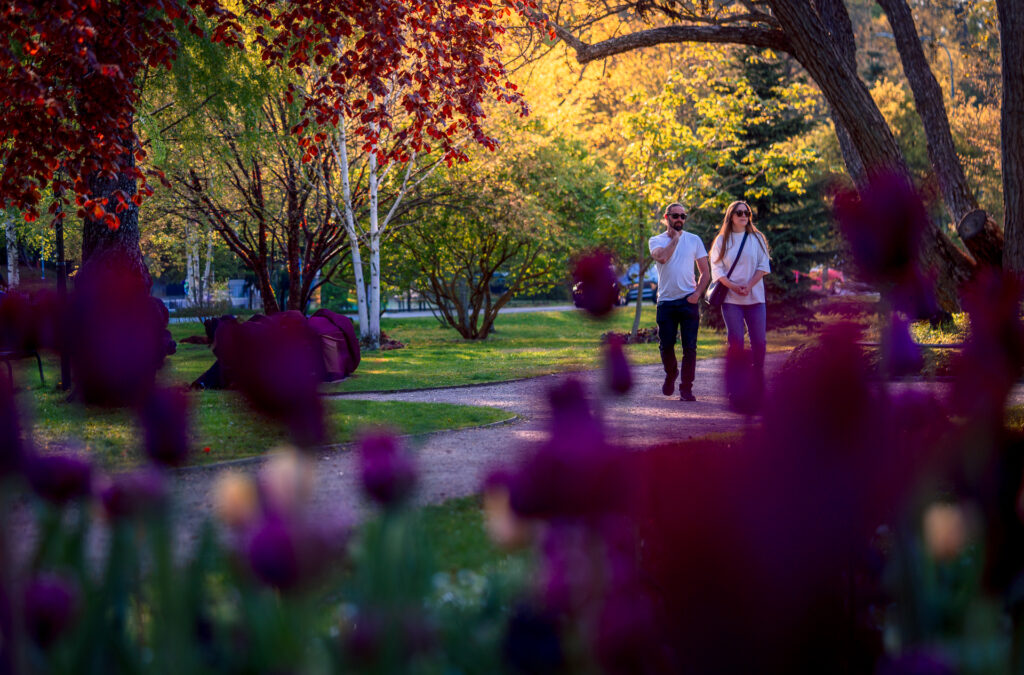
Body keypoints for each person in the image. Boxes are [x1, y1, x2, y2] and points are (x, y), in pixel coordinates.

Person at [649, 202, 710, 401]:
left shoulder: (694, 240)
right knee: (666, 346)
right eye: (675, 216)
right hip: (666, 302)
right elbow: (662, 258)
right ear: (666, 218)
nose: (680, 220)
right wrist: (675, 239)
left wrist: (698, 293)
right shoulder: (655, 240)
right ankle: (671, 373)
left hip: (688, 301)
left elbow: (705, 272)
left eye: (683, 216)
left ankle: (686, 388)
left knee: (690, 347)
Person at [709, 201, 771, 388]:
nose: (744, 215)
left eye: (747, 212)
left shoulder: (757, 238)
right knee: (736, 341)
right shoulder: (721, 240)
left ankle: (757, 378)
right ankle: (737, 385)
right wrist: (734, 287)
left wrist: (749, 286)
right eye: (739, 213)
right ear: (731, 216)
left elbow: (763, 266)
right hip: (731, 300)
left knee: (759, 342)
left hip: (755, 298)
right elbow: (717, 269)